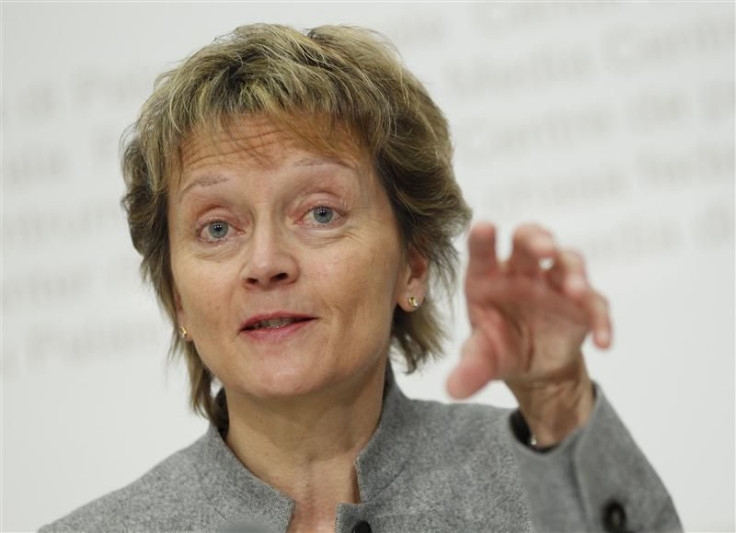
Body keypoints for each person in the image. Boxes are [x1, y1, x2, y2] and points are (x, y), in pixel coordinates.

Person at [41, 24, 681, 533]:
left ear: (414, 263)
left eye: (320, 212)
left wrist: (561, 404)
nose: (266, 262)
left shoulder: (541, 492)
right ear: (178, 296)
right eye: (216, 228)